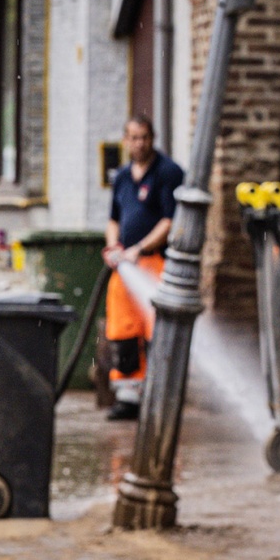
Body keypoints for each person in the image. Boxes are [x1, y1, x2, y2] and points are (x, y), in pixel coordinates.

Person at [103, 114, 183, 421]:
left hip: (155, 263)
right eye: (134, 138)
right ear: (126, 140)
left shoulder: (168, 172)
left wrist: (141, 248)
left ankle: (159, 395)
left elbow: (169, 219)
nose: (140, 143)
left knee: (156, 332)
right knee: (122, 330)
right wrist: (114, 247)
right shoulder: (122, 177)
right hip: (124, 266)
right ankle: (127, 396)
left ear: (154, 138)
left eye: (145, 137)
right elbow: (113, 218)